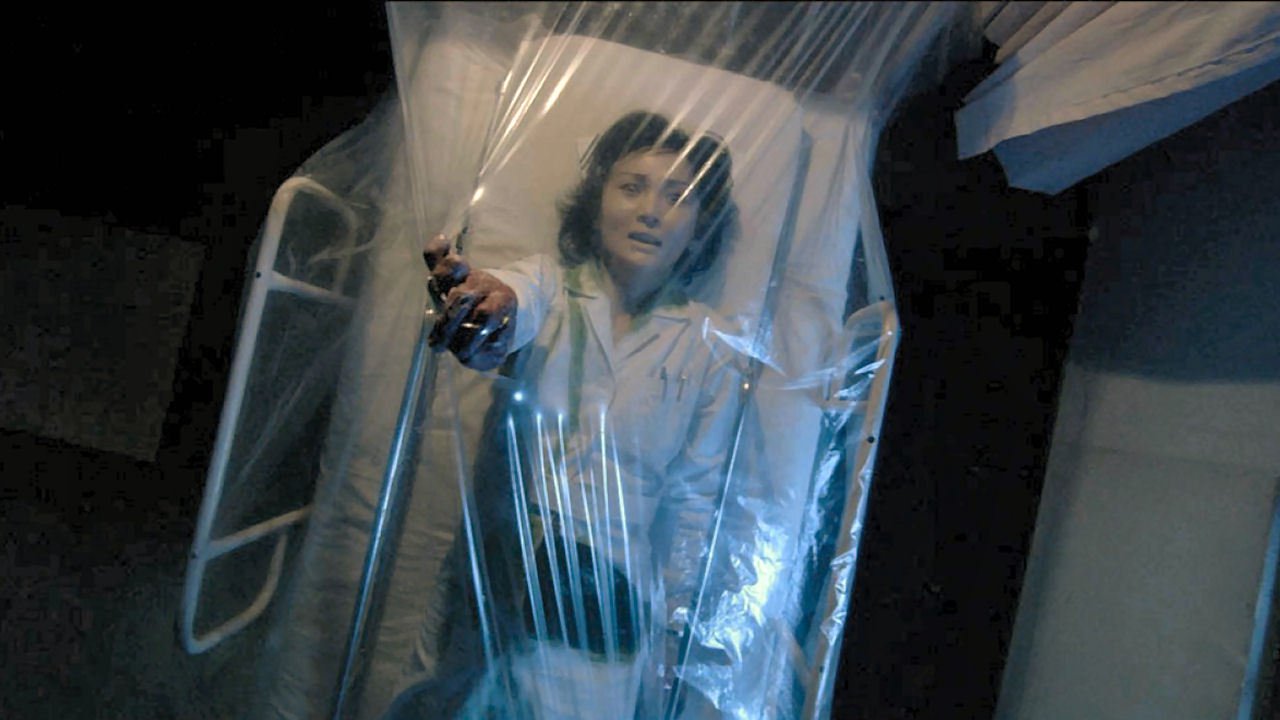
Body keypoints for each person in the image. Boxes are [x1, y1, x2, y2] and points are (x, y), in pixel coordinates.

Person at [392, 110, 742, 719]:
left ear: (698, 228)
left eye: (677, 197)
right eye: (631, 187)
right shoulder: (547, 286)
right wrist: (489, 311)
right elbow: (510, 306)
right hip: (496, 577)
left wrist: (673, 632)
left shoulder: (711, 348)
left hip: (604, 610)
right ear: (596, 204)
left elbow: (696, 500)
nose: (651, 210)